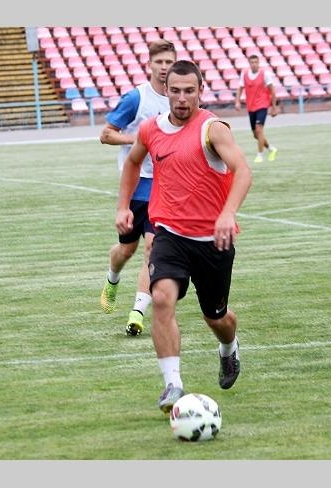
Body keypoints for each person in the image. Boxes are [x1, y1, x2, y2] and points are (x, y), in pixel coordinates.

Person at [115, 60, 252, 412]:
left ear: (200, 91)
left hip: (213, 241)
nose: (181, 98)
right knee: (162, 298)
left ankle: (229, 348)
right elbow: (132, 162)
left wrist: (228, 213)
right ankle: (173, 385)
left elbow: (242, 171)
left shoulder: (212, 129)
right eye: (175, 91)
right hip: (170, 234)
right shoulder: (151, 129)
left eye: (189, 91)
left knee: (216, 317)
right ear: (166, 91)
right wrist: (123, 206)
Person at [99, 39, 177, 336]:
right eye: (159, 62)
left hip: (165, 186)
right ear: (150, 65)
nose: (164, 67)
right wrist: (139, 140)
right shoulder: (136, 98)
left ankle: (137, 312)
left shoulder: (180, 99)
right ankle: (112, 278)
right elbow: (106, 134)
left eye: (169, 62)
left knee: (152, 248)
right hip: (136, 184)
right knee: (126, 249)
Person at [234, 54, 279, 164]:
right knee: (256, 134)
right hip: (251, 107)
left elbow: (272, 91)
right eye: (252, 62)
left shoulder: (265, 74)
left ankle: (260, 155)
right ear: (249, 63)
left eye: (256, 62)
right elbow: (240, 88)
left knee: (259, 130)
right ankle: (271, 148)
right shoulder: (244, 74)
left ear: (258, 63)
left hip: (263, 105)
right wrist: (237, 101)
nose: (254, 64)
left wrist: (274, 107)